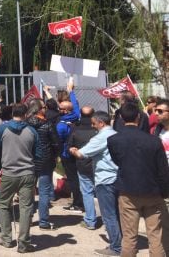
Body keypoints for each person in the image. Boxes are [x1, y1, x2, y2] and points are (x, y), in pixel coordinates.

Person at [107, 102, 169, 257]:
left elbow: (118, 161)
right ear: (139, 117)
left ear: (120, 117)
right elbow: (162, 170)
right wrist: (165, 191)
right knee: (156, 236)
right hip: (153, 191)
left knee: (129, 237)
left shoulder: (113, 140)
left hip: (128, 190)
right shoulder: (154, 140)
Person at [69, 111, 122, 256]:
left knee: (109, 215)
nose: (92, 126)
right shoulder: (116, 134)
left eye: (94, 123)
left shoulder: (101, 137)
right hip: (118, 177)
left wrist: (74, 151)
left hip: (105, 178)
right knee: (117, 213)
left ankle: (116, 247)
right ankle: (121, 241)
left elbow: (82, 154)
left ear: (101, 123)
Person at [0, 103, 38, 253]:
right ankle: (23, 242)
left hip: (9, 172)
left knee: (4, 205)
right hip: (28, 173)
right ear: (25, 114)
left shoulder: (3, 129)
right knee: (26, 207)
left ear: (12, 114)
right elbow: (37, 153)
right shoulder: (32, 131)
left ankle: (6, 238)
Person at [25, 99, 60, 231]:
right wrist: (56, 155)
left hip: (29, 160)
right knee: (44, 192)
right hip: (45, 161)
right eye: (44, 107)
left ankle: (27, 219)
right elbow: (56, 143)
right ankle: (43, 221)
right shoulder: (48, 125)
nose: (45, 109)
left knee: (28, 191)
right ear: (39, 109)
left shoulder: (25, 124)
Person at [67, 106, 98, 230]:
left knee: (87, 192)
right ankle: (109, 220)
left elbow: (69, 146)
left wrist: (73, 151)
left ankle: (90, 220)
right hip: (98, 165)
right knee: (103, 193)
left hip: (82, 164)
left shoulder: (75, 130)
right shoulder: (98, 131)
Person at [56, 80, 83, 213]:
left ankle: (78, 203)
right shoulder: (76, 117)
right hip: (76, 151)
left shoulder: (61, 125)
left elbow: (58, 140)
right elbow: (76, 107)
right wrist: (71, 91)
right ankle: (78, 201)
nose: (58, 109)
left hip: (67, 153)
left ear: (66, 110)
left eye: (61, 108)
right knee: (77, 177)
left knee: (73, 178)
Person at [150, 98, 169, 251]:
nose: (156, 113)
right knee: (164, 219)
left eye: (160, 111)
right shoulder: (157, 130)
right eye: (156, 110)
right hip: (162, 178)